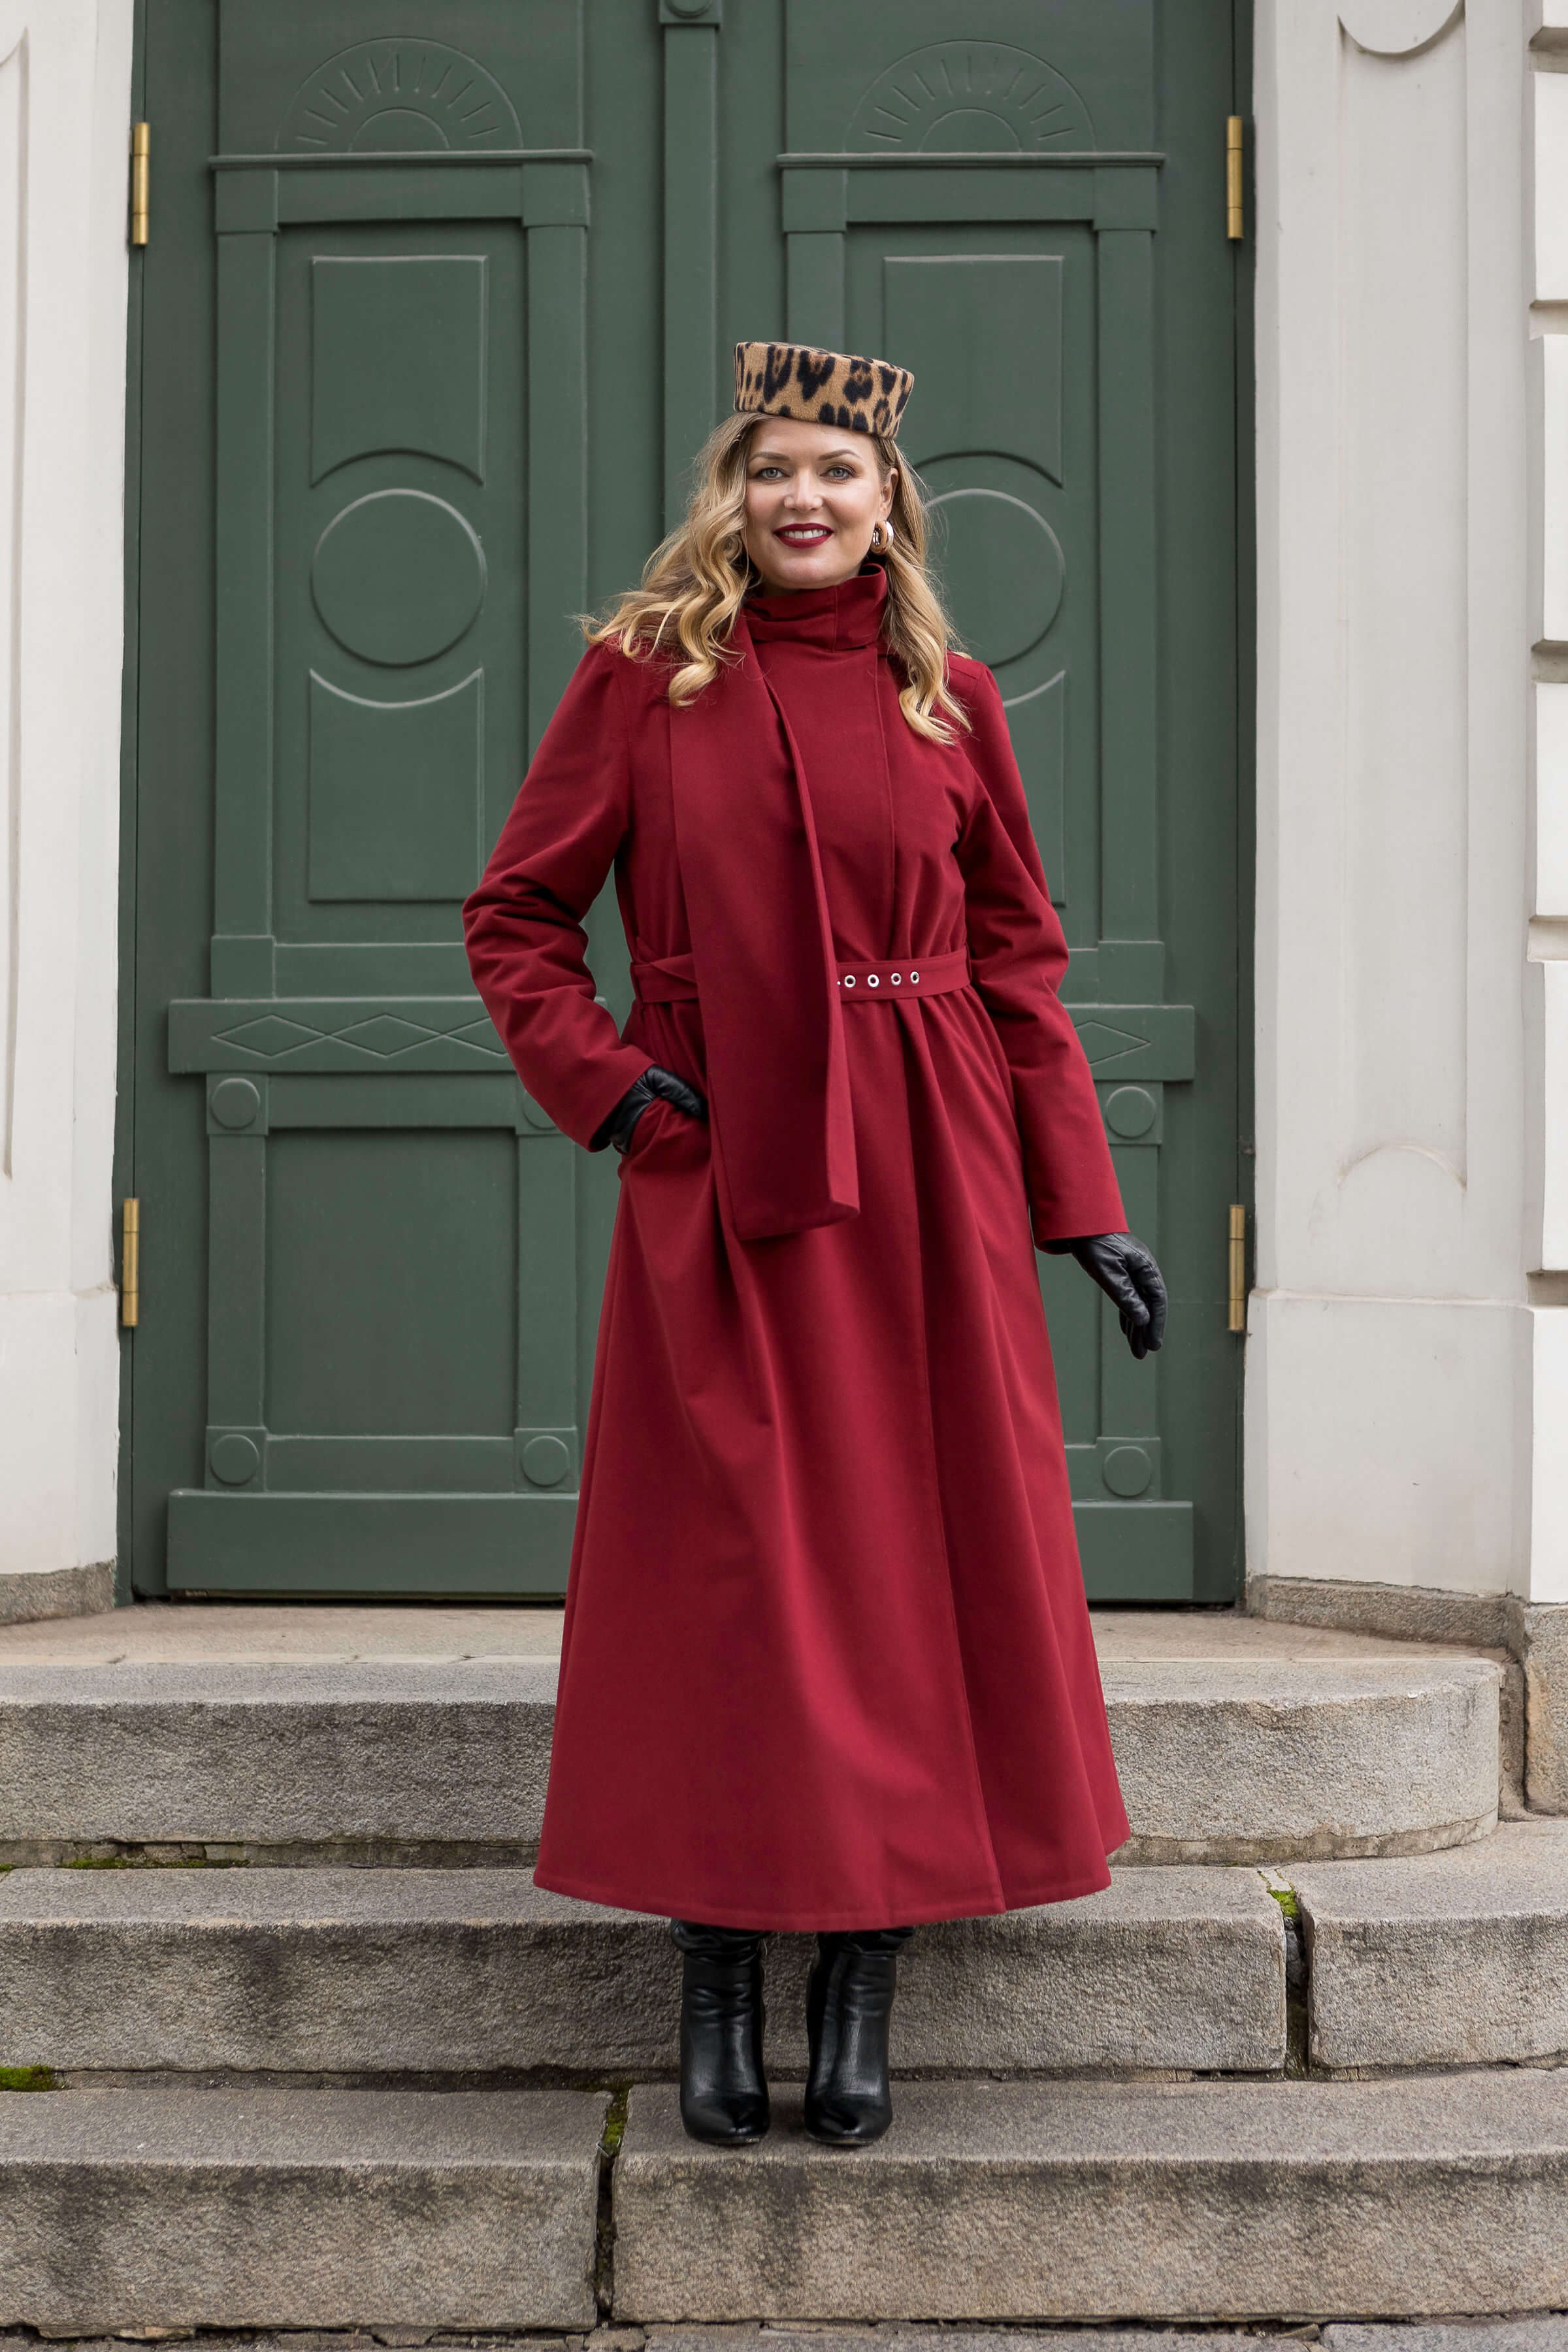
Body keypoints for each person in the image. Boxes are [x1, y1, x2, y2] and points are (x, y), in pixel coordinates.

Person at [463, 339, 1167, 2152]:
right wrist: (619, 1097)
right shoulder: (642, 683)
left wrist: (1076, 1201)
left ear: (888, 507)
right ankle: (715, 1958)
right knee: (737, 1560)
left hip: (930, 1167)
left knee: (907, 1559)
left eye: (838, 476)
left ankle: (864, 1965)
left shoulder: (954, 696)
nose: (805, 499)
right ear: (734, 493)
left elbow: (1018, 958)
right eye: (775, 469)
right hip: (731, 1161)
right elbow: (520, 916)